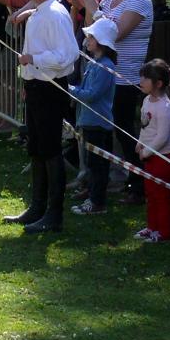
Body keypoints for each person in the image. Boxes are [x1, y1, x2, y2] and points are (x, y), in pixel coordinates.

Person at [4, 0, 79, 233]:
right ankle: (36, 207)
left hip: (51, 89)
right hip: (36, 87)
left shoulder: (56, 15)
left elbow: (68, 55)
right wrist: (28, 79)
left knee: (50, 151)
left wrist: (33, 59)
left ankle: (54, 215)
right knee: (36, 149)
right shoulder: (39, 10)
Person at [78, 0, 153, 203]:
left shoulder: (140, 1)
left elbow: (115, 33)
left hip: (125, 77)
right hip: (101, 72)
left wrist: (93, 8)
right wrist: (89, 9)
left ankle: (137, 186)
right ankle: (99, 182)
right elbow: (93, 31)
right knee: (99, 132)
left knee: (124, 132)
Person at [71, 17, 119, 216]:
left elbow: (91, 94)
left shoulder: (105, 66)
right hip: (89, 120)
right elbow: (86, 88)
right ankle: (92, 193)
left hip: (98, 123)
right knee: (92, 163)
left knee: (98, 165)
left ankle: (97, 202)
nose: (87, 40)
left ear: (101, 41)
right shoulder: (94, 63)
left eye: (91, 37)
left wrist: (70, 90)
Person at [134, 59, 170, 243]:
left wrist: (147, 152)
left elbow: (162, 137)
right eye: (141, 77)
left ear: (159, 83)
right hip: (151, 155)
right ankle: (152, 227)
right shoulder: (147, 100)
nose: (141, 81)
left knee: (161, 194)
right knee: (151, 192)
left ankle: (165, 232)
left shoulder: (165, 108)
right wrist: (140, 142)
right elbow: (145, 125)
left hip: (165, 156)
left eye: (146, 78)